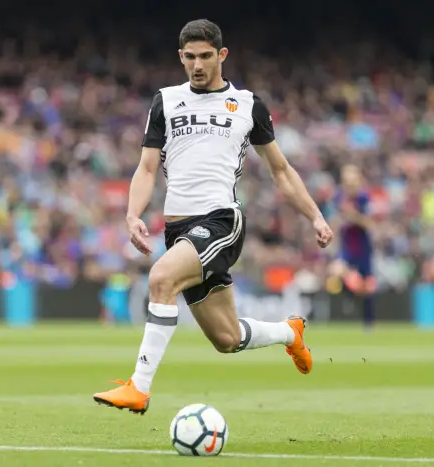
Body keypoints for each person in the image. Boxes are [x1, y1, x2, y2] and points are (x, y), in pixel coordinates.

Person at [92, 19, 333, 414]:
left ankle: (139, 386)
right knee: (227, 337)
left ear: (221, 55)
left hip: (221, 221)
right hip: (179, 230)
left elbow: (281, 171)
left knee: (161, 278)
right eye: (190, 57)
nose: (198, 65)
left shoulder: (248, 105)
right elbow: (147, 167)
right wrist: (133, 213)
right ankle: (289, 332)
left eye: (206, 56)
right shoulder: (165, 101)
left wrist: (315, 217)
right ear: (181, 57)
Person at [330, 164, 376, 330]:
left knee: (367, 287)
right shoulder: (338, 198)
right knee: (336, 270)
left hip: (363, 247)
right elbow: (337, 219)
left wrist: (353, 216)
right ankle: (349, 296)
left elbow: (368, 223)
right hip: (347, 246)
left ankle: (368, 323)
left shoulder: (364, 199)